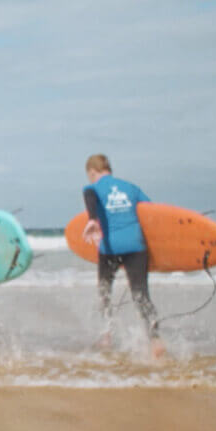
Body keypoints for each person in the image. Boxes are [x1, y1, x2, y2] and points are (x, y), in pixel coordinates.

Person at [81, 153, 166, 359]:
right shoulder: (131, 188)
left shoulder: (92, 188)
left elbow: (90, 197)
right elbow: (151, 214)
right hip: (136, 247)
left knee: (105, 293)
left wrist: (92, 219)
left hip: (110, 249)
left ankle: (107, 335)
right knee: (141, 295)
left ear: (92, 172)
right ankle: (155, 340)